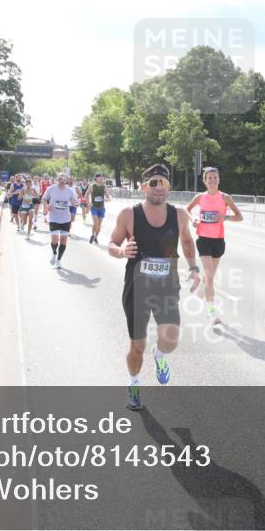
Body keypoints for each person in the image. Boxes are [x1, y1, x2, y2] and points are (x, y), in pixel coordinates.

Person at [108, 164, 200, 411]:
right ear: (144, 186)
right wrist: (120, 251)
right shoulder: (129, 214)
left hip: (167, 287)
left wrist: (193, 268)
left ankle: (160, 357)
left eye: (164, 183)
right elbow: (112, 243)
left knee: (170, 339)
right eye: (154, 183)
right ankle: (134, 384)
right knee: (137, 346)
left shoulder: (179, 215)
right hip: (137, 288)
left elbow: (188, 241)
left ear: (169, 187)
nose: (159, 188)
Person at [185, 167, 243, 324]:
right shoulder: (199, 197)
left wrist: (225, 217)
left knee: (209, 277)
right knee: (210, 275)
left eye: (215, 177)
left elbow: (240, 217)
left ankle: (203, 288)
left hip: (218, 241)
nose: (212, 180)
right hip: (203, 239)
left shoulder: (225, 198)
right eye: (209, 177)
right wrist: (193, 220)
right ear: (204, 181)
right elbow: (187, 210)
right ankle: (212, 312)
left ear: (219, 179)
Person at [43, 174, 80, 268]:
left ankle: (59, 260)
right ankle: (54, 253)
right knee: (54, 240)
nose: (61, 179)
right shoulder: (51, 188)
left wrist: (76, 203)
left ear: (66, 180)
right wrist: (46, 208)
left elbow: (75, 201)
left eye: (63, 178)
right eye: (59, 178)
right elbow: (44, 199)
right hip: (53, 217)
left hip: (65, 218)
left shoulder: (70, 190)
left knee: (63, 240)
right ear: (57, 179)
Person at [86, 172, 111, 244]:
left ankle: (95, 237)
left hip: (101, 208)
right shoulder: (92, 186)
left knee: (99, 225)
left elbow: (107, 195)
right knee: (95, 223)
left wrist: (107, 198)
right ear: (96, 178)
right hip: (94, 207)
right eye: (99, 177)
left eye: (102, 177)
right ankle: (92, 234)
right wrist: (88, 203)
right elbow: (87, 194)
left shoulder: (104, 186)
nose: (101, 178)